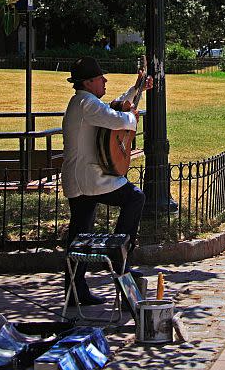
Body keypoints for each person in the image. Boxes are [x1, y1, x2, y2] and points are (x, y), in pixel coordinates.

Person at [62, 56, 151, 305]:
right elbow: (117, 118)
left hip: (83, 179)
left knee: (79, 236)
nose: (105, 81)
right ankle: (120, 257)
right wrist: (132, 117)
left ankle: (75, 292)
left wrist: (137, 89)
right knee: (135, 197)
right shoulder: (86, 103)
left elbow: (115, 106)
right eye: (101, 78)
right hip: (88, 179)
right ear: (89, 82)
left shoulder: (86, 102)